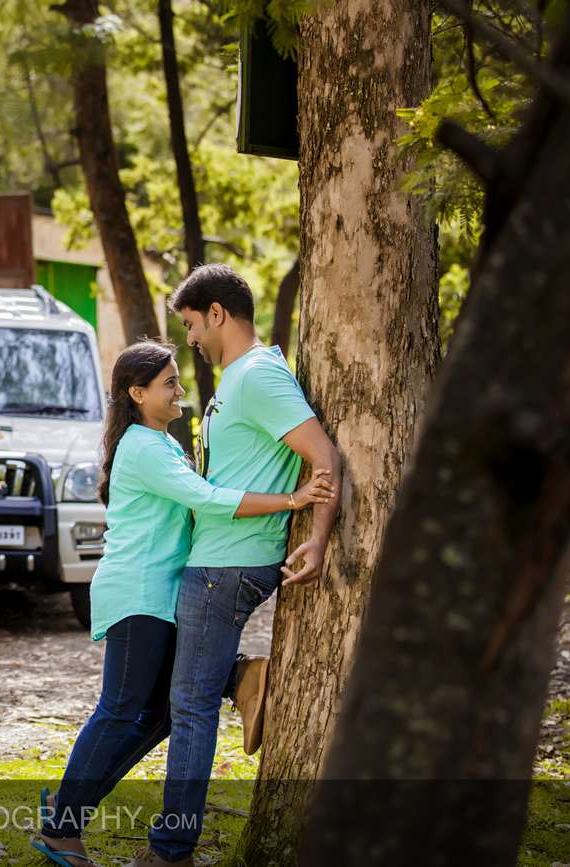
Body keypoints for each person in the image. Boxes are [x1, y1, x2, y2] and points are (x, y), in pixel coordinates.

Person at [34, 341, 333, 866]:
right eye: (168, 383)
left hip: (163, 592)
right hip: (138, 594)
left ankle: (234, 680)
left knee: (164, 710)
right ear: (137, 393)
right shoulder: (144, 447)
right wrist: (292, 499)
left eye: (177, 379)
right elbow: (206, 500)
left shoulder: (164, 443)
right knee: (121, 709)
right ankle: (62, 824)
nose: (179, 390)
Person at [134, 265, 342, 867]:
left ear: (218, 313)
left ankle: (171, 851)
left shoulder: (257, 376)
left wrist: (320, 538)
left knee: (190, 709)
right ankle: (245, 679)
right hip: (217, 561)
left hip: (227, 566)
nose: (191, 338)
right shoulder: (240, 379)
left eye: (193, 324)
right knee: (184, 691)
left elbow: (322, 454)